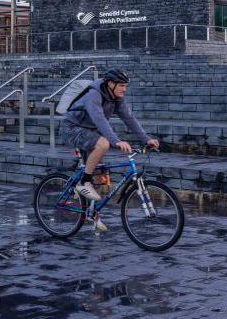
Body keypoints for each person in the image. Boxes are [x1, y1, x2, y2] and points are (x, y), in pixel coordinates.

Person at [59, 68, 160, 231]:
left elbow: (129, 119)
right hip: (72, 128)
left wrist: (146, 139)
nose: (124, 89)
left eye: (126, 86)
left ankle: (91, 213)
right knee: (104, 144)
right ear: (111, 84)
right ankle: (83, 182)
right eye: (122, 86)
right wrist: (116, 141)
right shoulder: (94, 94)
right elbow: (99, 119)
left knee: (100, 176)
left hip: (90, 131)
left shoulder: (117, 98)